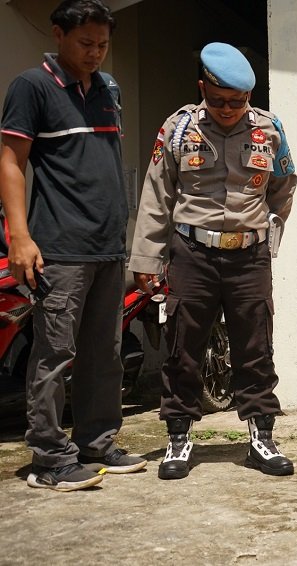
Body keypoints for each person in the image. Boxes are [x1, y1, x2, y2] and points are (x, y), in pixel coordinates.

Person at [129, 42, 297, 480]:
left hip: (249, 257)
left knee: (255, 347)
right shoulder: (178, 128)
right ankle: (179, 438)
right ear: (203, 88)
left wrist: (266, 226)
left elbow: (283, 184)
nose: (227, 109)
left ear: (249, 96)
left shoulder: (269, 129)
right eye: (219, 100)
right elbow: (157, 195)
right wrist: (146, 257)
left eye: (237, 102)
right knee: (183, 347)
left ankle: (261, 438)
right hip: (193, 254)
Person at [0, 0, 146, 492]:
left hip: (108, 245)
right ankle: (49, 459)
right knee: (55, 354)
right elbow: (11, 162)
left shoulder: (108, 89)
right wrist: (20, 236)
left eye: (102, 44)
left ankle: (96, 443)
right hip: (60, 247)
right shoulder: (32, 86)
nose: (95, 53)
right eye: (86, 43)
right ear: (58, 34)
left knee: (104, 353)